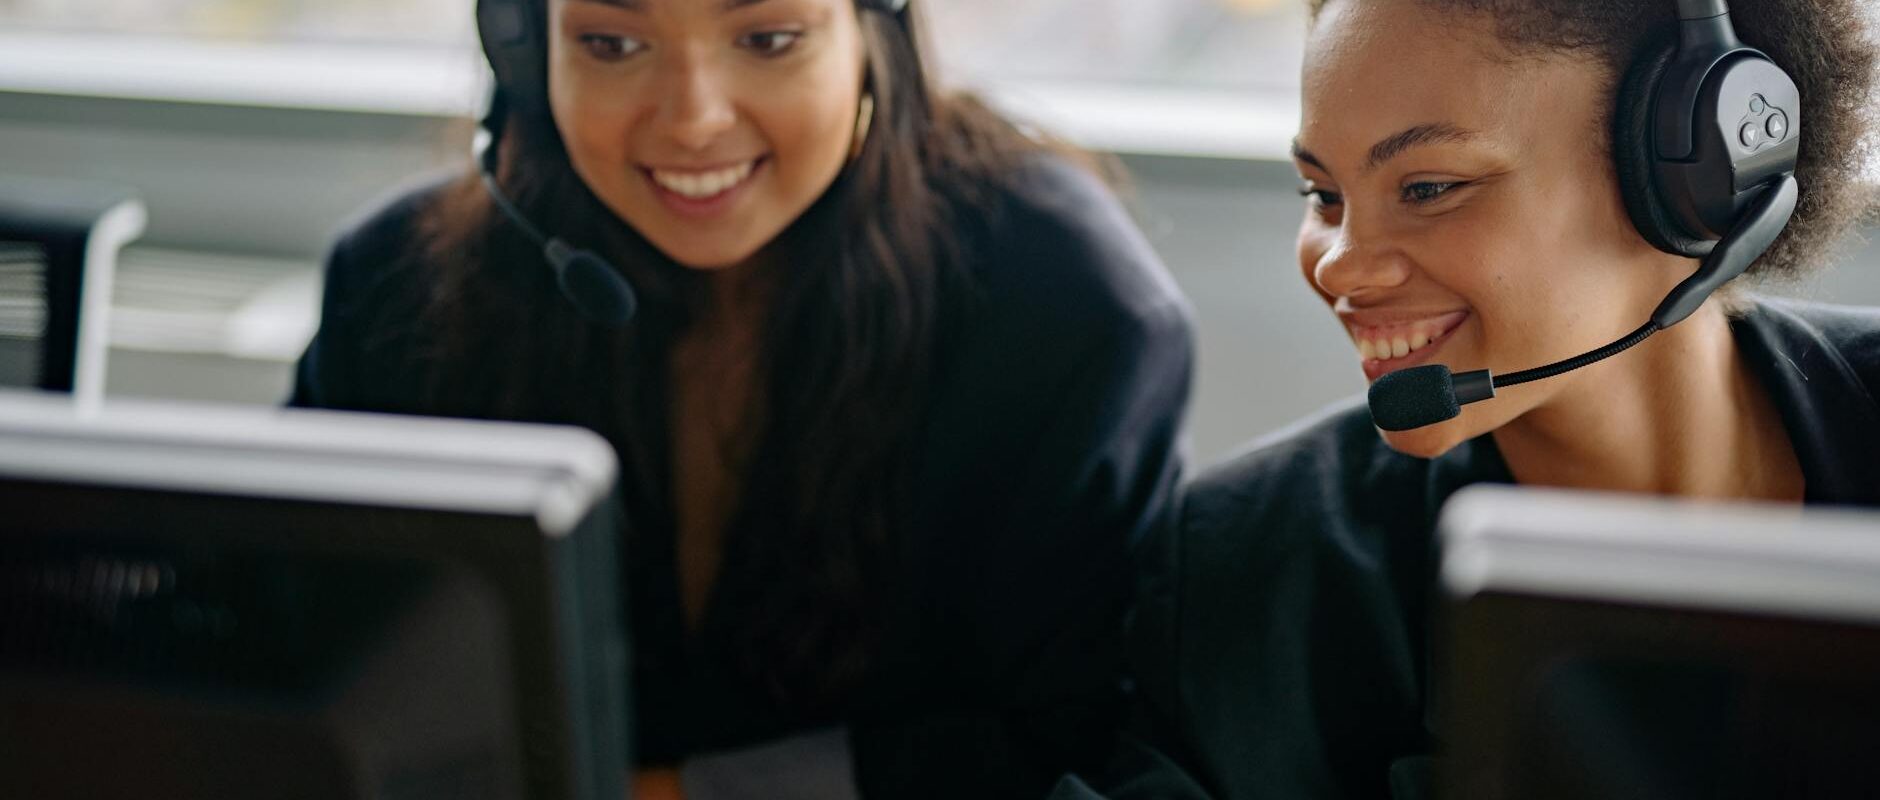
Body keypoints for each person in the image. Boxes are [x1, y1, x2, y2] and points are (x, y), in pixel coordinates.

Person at [289, 0, 1195, 797]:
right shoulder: (395, 291)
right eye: (610, 44)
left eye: (766, 38)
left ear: (872, 30)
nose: (692, 120)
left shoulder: (1069, 310)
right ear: (522, 50)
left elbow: (1070, 743)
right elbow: (289, 658)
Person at [1067, 1, 1880, 798]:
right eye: (1323, 195)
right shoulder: (1251, 571)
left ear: (1696, 176)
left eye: (1427, 188)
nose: (1339, 268)